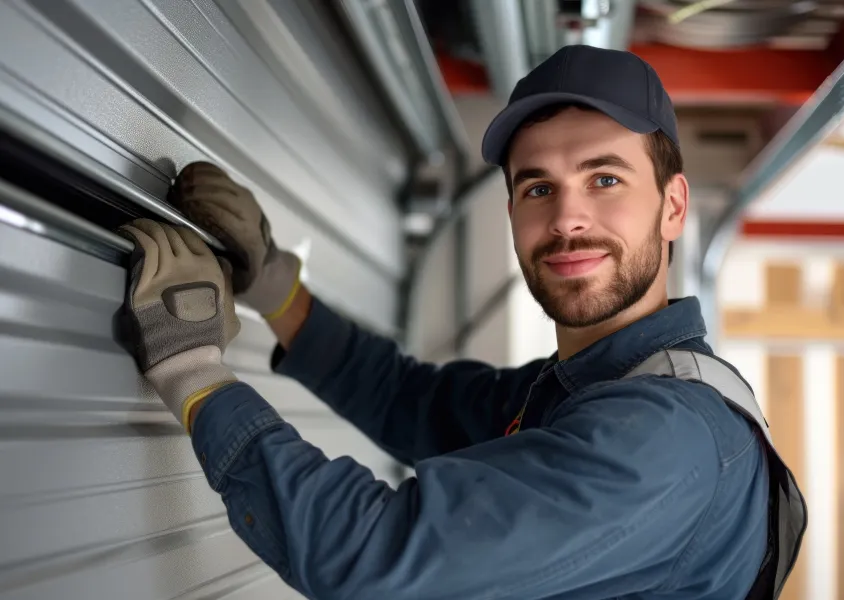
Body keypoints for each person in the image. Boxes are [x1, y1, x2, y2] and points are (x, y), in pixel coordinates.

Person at [118, 45, 804, 599]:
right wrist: (273, 285)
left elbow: (375, 559)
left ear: (674, 206)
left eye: (605, 180)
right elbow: (413, 402)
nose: (567, 219)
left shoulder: (659, 438)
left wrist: (190, 369)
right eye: (538, 187)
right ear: (511, 213)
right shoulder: (588, 391)